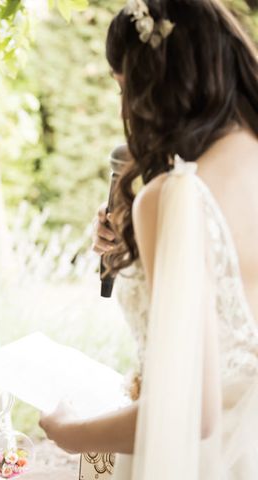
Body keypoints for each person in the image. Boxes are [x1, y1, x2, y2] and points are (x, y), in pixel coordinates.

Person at [38, 0, 258, 478]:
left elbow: (190, 411)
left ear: (157, 83)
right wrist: (134, 249)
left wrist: (70, 432)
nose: (124, 107)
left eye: (124, 87)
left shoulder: (174, 196)